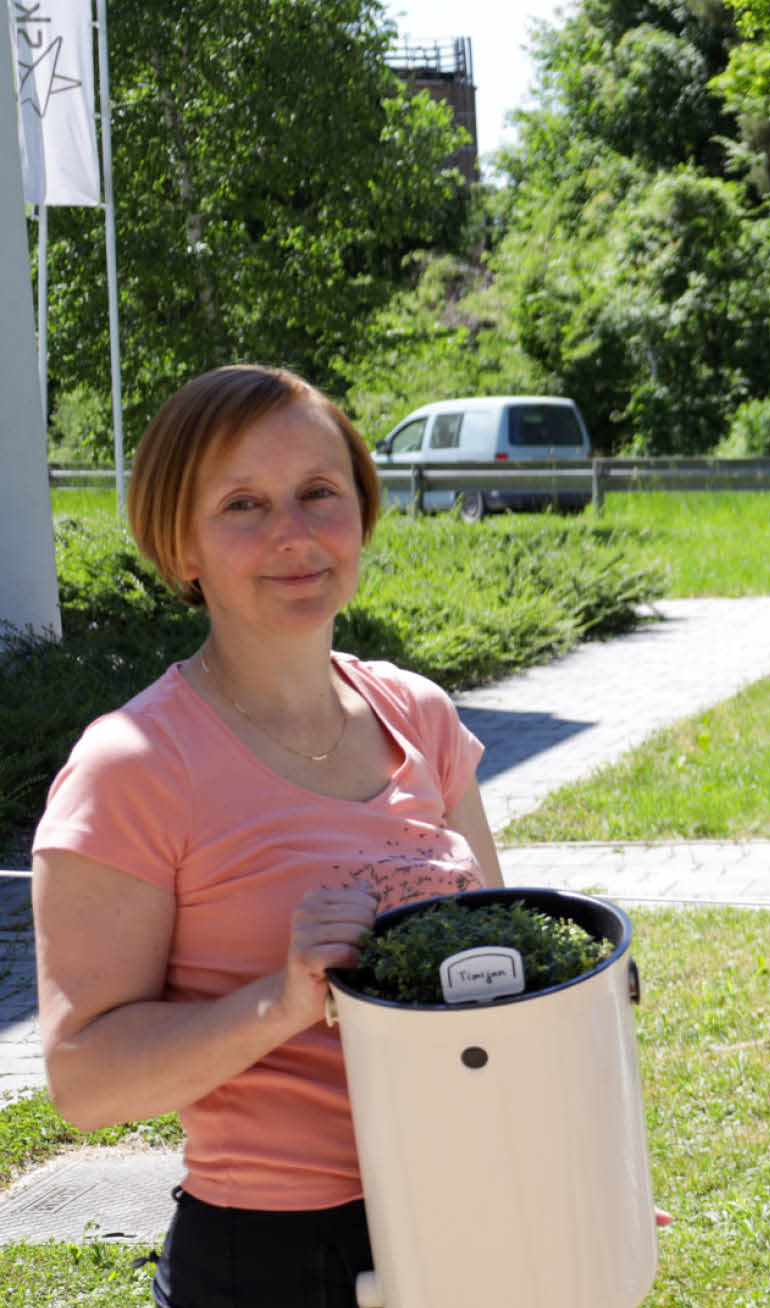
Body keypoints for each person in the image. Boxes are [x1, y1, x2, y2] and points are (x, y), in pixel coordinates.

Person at [32, 365, 503, 1307]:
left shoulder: (421, 717)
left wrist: (564, 1172)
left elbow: (497, 979)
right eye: (243, 503)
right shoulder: (133, 764)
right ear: (181, 545)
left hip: (471, 1208)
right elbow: (87, 1084)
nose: (293, 533)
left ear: (361, 515)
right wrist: (281, 1003)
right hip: (279, 1258)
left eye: (319, 493)